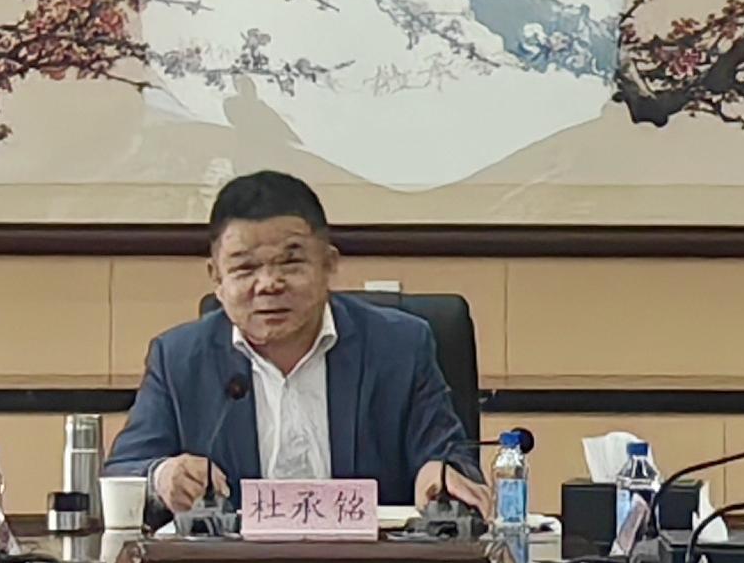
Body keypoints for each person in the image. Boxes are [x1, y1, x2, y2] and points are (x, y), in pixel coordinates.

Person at [104, 171, 482, 517]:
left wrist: (440, 475)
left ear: (329, 264)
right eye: (245, 268)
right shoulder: (179, 359)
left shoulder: (399, 347)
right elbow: (124, 472)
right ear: (216, 278)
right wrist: (162, 476)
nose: (269, 284)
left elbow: (452, 459)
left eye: (290, 263)